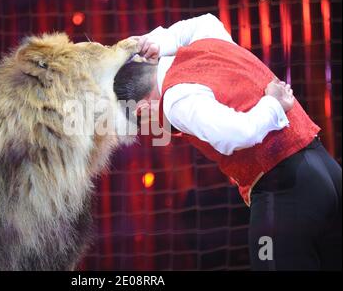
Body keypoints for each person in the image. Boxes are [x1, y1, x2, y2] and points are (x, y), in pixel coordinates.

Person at [119, 13, 342, 270]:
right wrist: (157, 41)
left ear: (140, 109)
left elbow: (239, 134)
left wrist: (272, 104)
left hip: (285, 188)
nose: (154, 127)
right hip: (328, 172)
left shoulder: (175, 99)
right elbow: (203, 21)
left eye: (143, 122)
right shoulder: (209, 36)